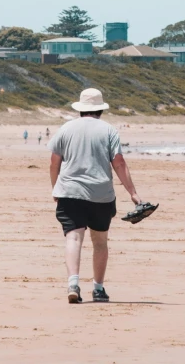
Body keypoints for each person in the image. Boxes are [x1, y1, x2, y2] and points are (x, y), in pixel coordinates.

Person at [48, 85, 144, 304]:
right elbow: (118, 163)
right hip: (101, 194)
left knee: (73, 237)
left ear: (80, 108)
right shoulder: (108, 130)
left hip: (70, 191)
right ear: (101, 109)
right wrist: (133, 193)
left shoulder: (66, 128)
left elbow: (54, 163)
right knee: (100, 241)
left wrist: (56, 188)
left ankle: (73, 283)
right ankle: (98, 289)